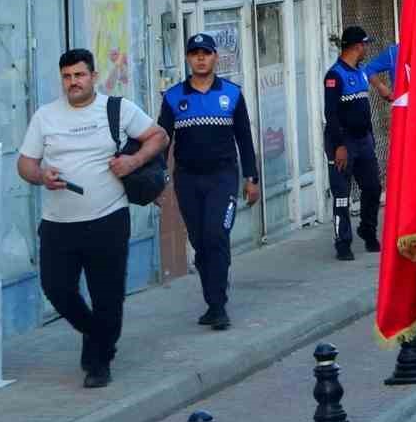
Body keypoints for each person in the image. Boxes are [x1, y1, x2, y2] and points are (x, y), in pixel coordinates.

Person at [17, 48, 168, 388]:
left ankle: (99, 363)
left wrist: (132, 162)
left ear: (93, 77)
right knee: (56, 288)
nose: (74, 82)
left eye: (80, 75)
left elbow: (158, 136)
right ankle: (97, 334)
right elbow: (25, 163)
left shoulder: (116, 108)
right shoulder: (46, 116)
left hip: (107, 219)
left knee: (107, 295)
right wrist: (42, 176)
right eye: (68, 77)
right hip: (58, 223)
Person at [159, 33, 259, 331]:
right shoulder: (174, 97)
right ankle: (213, 299)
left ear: (215, 57)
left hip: (223, 178)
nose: (200, 58)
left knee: (216, 235)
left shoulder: (233, 94)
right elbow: (162, 140)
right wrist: (157, 180)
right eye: (194, 53)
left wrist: (251, 178)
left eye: (206, 53)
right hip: (187, 180)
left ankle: (218, 306)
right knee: (200, 241)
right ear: (188, 59)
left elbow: (244, 138)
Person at [324, 25, 382, 261]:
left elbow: (364, 108)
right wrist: (339, 146)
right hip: (343, 141)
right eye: (365, 44)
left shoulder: (361, 72)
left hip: (363, 140)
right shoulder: (334, 75)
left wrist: (370, 137)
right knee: (341, 194)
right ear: (357, 46)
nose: (367, 48)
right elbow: (331, 113)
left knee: (373, 187)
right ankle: (343, 242)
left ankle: (367, 230)